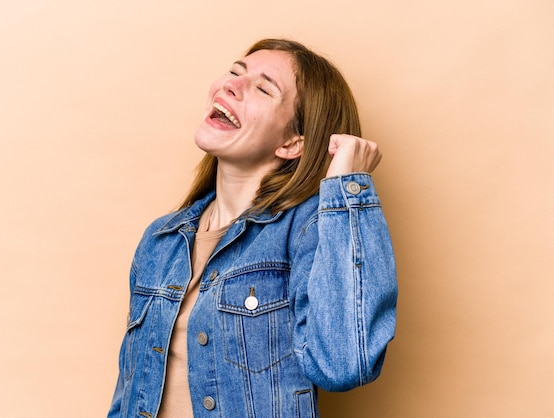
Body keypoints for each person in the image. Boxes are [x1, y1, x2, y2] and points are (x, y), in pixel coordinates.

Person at [107, 38, 397, 418]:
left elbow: (344, 364)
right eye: (234, 72)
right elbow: (130, 392)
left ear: (293, 142)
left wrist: (348, 188)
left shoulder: (304, 232)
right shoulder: (161, 239)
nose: (231, 85)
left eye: (263, 88)